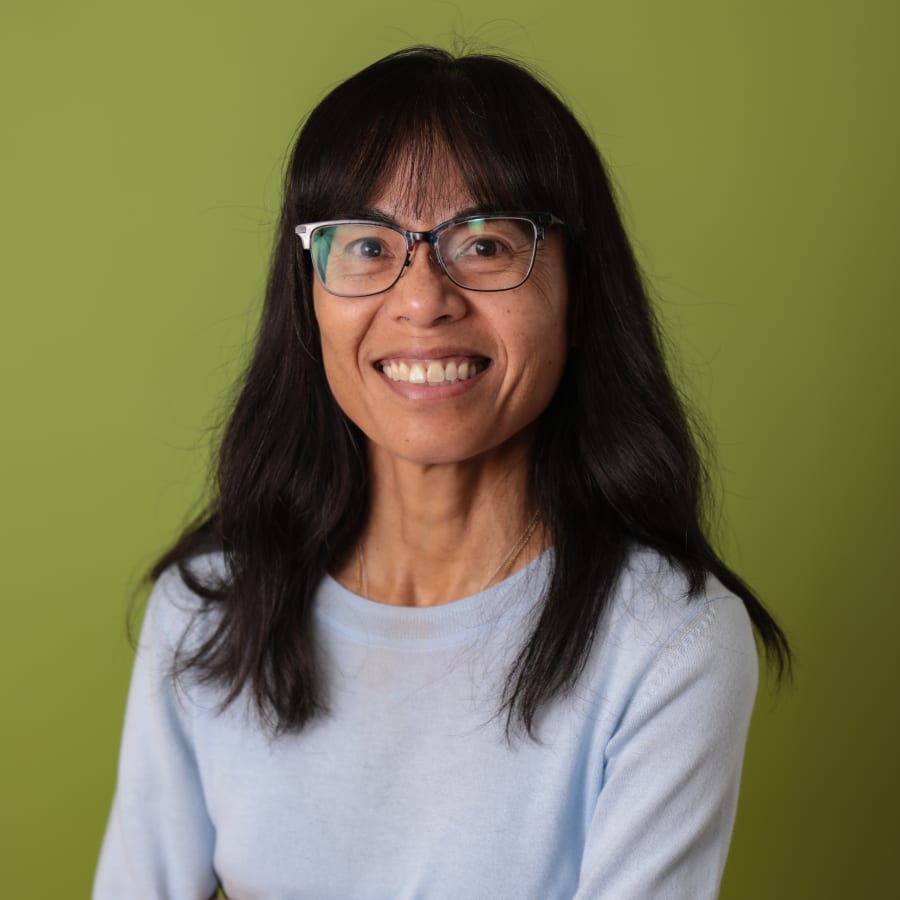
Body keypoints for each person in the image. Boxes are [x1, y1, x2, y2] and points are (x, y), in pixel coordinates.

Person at [94, 46, 790, 899]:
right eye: (366, 245)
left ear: (578, 297)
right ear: (307, 302)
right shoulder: (208, 609)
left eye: (487, 242)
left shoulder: (666, 642)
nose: (423, 300)